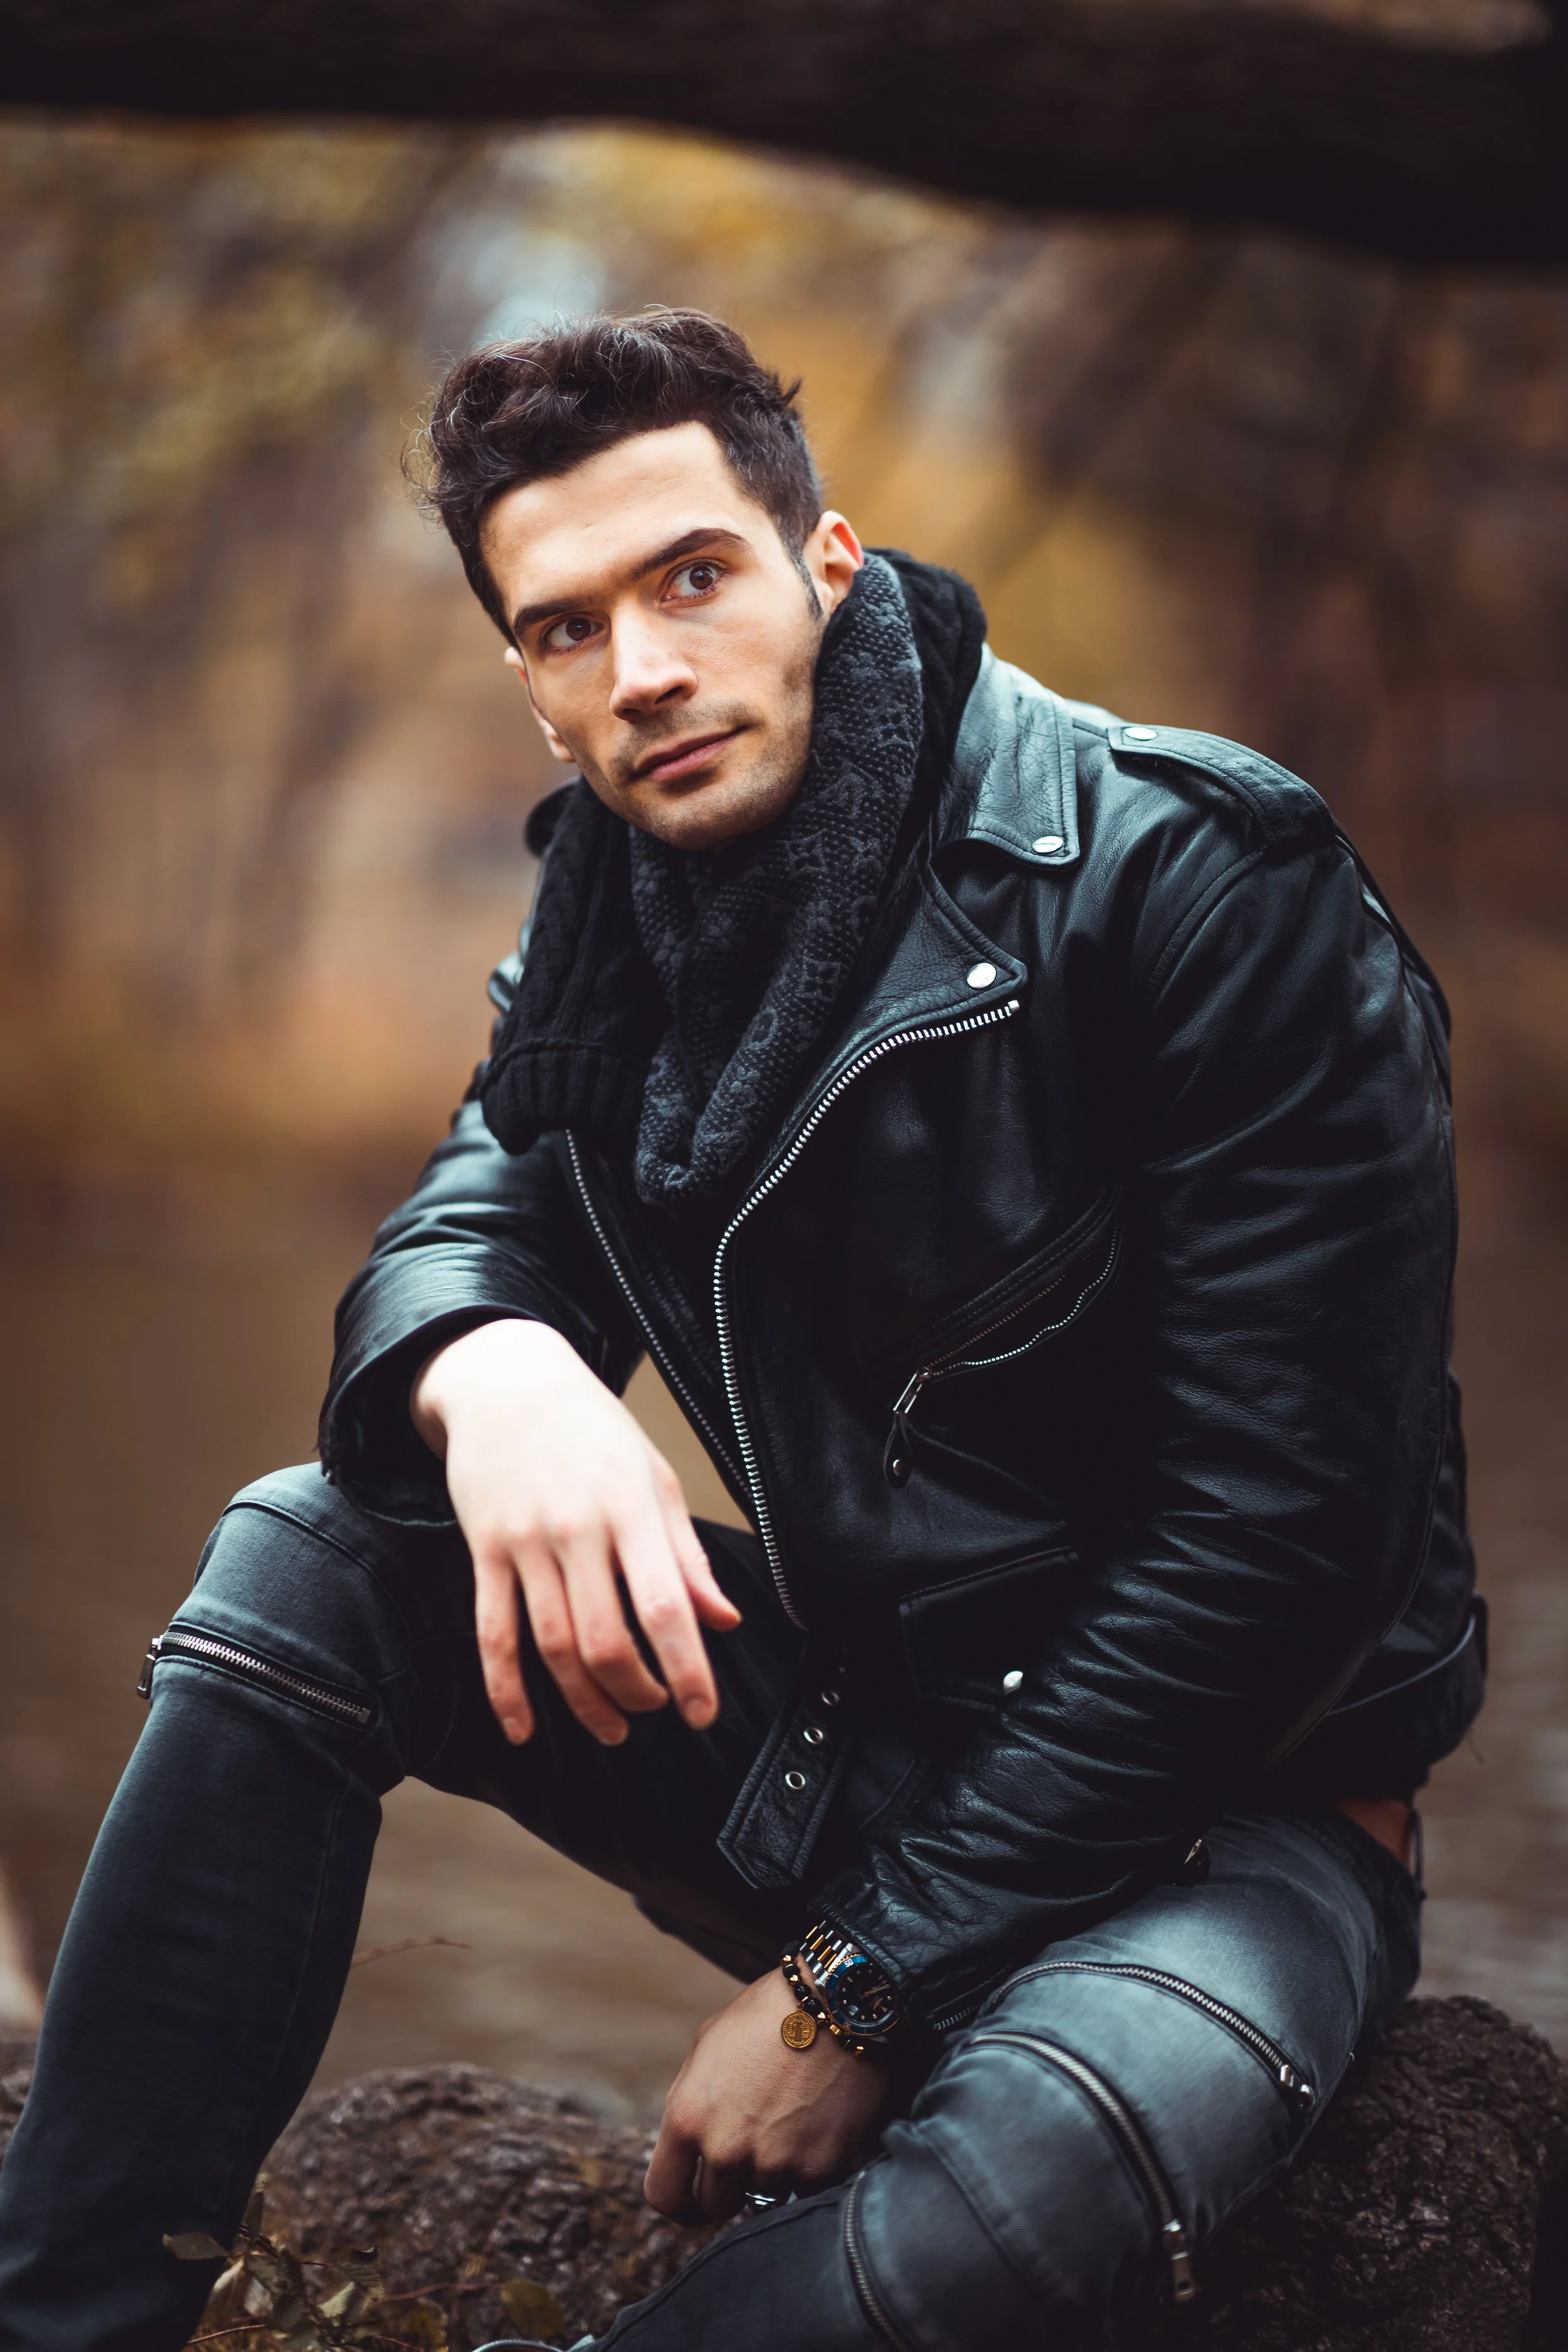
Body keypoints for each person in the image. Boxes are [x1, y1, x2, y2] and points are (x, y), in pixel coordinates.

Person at [0, 308, 1480, 2352]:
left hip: (1225, 1821)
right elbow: (467, 1218)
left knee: (1022, 2202)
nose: (643, 667)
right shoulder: (615, 918)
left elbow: (1279, 1546)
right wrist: (491, 1366)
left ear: (824, 564)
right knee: (307, 1551)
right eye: (566, 626)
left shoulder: (1195, 876)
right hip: (851, 1741)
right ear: (530, 681)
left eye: (690, 576)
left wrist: (847, 1987)